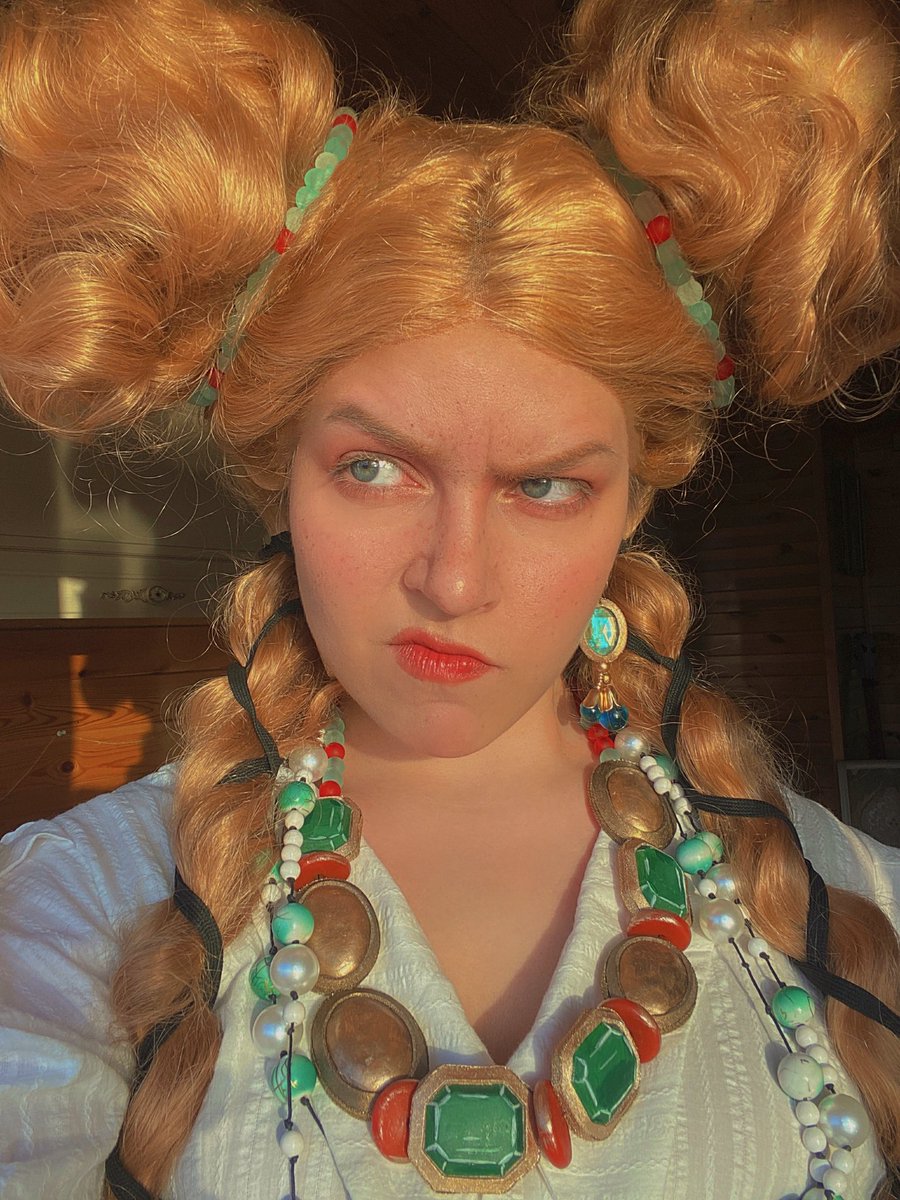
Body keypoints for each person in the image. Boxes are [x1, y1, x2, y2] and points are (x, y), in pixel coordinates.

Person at [0, 0, 898, 1197]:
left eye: (545, 486)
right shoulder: (79, 909)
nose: (454, 579)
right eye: (374, 469)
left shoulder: (850, 897)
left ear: (633, 503)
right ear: (282, 475)